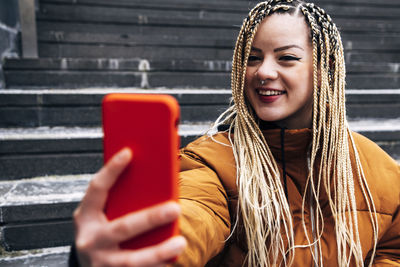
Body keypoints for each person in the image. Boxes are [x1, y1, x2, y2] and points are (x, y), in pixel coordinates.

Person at [71, 0, 400, 266]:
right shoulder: (211, 159)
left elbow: (393, 251)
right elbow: (194, 210)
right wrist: (150, 250)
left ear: (324, 67)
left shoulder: (375, 167)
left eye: (286, 58)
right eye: (252, 58)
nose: (264, 72)